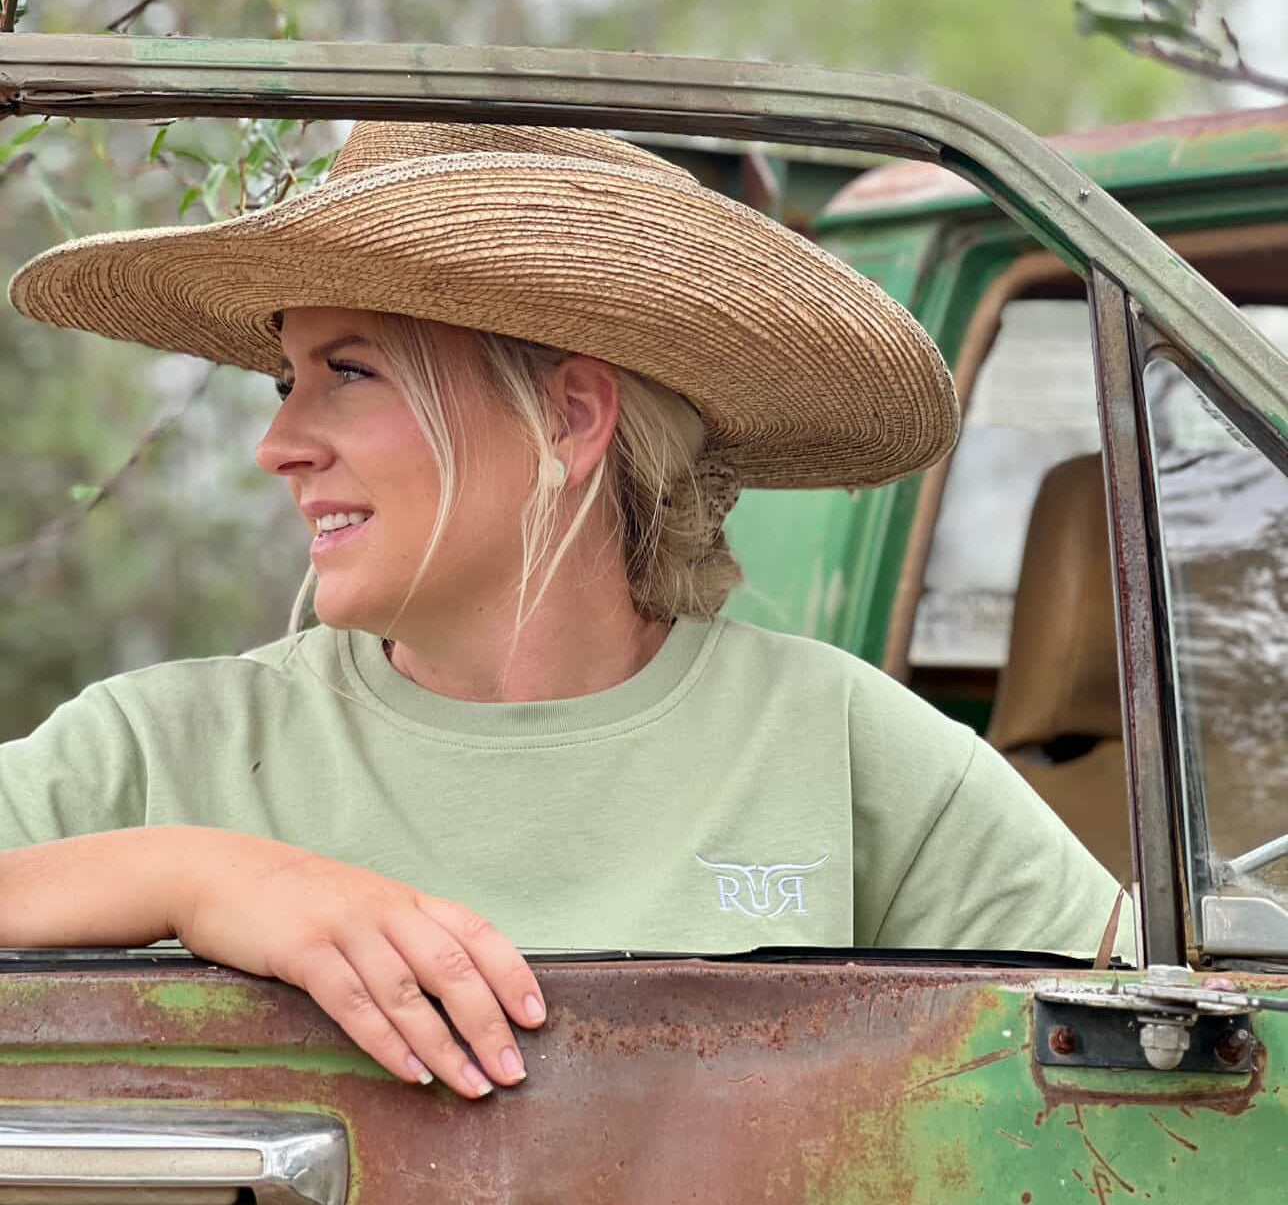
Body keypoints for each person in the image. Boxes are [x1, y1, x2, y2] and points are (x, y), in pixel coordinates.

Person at [0, 121, 1128, 1103]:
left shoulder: (838, 743)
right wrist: (198, 877)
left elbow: (1174, 1057)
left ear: (569, 419)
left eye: (348, 370)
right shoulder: (160, 752)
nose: (278, 444)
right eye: (283, 379)